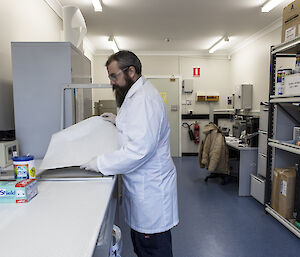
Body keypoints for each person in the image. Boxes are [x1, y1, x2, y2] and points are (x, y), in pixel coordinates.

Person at [81, 50, 179, 257]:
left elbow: (139, 150)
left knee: (153, 250)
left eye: (113, 76)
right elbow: (140, 130)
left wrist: (100, 163)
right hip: (143, 188)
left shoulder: (144, 100)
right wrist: (119, 121)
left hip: (151, 192)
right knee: (143, 247)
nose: (111, 82)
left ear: (131, 71)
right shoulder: (136, 95)